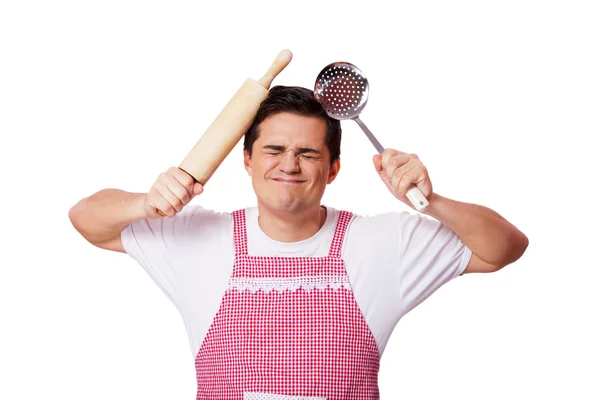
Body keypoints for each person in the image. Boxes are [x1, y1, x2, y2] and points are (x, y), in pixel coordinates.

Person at [69, 85, 528, 399]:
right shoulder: (197, 237)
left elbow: (505, 247)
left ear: (332, 169)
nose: (289, 164)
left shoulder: (383, 242)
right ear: (246, 160)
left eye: (307, 153)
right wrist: (146, 203)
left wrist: (432, 202)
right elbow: (87, 219)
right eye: (273, 150)